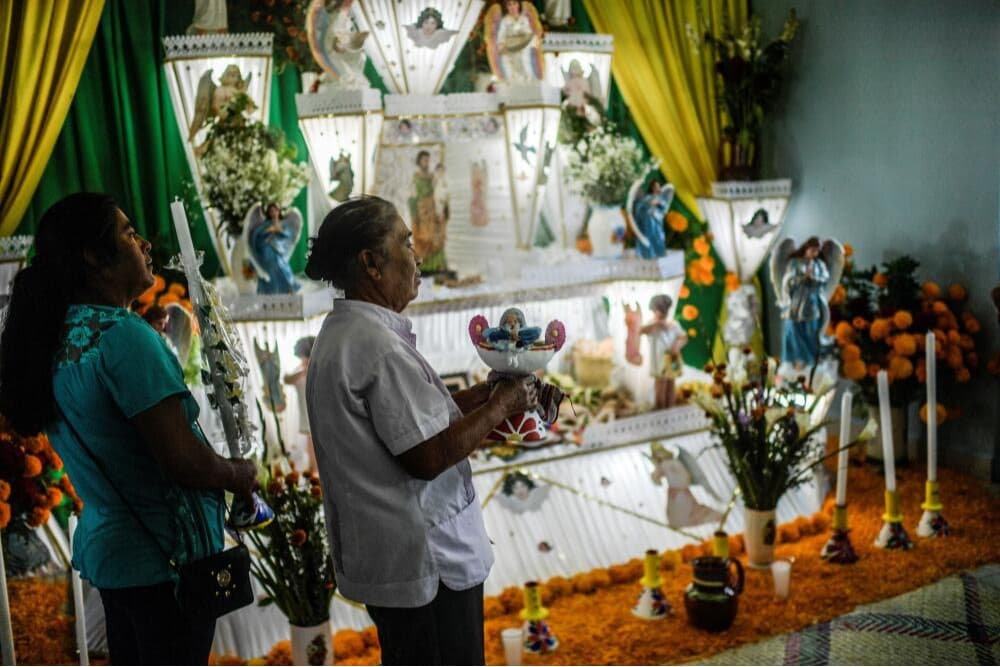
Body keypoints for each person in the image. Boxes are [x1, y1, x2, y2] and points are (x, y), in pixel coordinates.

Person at [0, 193, 258, 664]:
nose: (144, 245)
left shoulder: (59, 334)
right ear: (94, 257)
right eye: (128, 234)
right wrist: (239, 474)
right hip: (165, 563)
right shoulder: (122, 336)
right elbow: (181, 459)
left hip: (116, 556)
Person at [303, 195, 538, 665]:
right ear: (371, 262)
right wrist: (505, 404)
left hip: (402, 560)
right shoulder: (374, 346)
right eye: (406, 242)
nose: (418, 255)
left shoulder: (347, 333)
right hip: (429, 565)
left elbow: (421, 420)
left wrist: (487, 395)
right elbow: (427, 455)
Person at [779, 236, 830, 369]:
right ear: (806, 248)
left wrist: (812, 277)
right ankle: (794, 360)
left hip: (811, 303)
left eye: (817, 251)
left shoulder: (819, 265)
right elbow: (788, 282)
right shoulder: (794, 263)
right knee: (792, 331)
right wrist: (802, 277)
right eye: (812, 250)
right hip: (795, 302)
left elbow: (824, 280)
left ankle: (810, 362)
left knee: (810, 332)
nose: (815, 254)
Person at [640, 294, 687, 409]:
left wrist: (677, 346)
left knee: (670, 384)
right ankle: (660, 406)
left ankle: (669, 406)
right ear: (654, 311)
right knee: (660, 385)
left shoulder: (673, 324)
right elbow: (641, 330)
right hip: (658, 361)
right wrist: (656, 324)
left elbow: (683, 337)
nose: (661, 315)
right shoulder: (651, 325)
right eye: (658, 311)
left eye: (664, 312)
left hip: (670, 360)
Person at [249, 202, 301, 295]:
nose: (273, 213)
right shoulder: (266, 224)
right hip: (268, 251)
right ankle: (273, 292)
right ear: (268, 213)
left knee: (284, 268)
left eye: (275, 211)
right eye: (271, 211)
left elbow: (288, 235)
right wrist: (269, 230)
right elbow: (257, 235)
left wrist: (280, 230)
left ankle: (288, 289)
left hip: (279, 251)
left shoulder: (282, 223)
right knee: (272, 269)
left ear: (278, 211)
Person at [408, 151, 447, 273]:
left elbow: (438, 189)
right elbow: (411, 194)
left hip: (432, 209)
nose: (426, 162)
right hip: (421, 210)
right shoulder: (415, 177)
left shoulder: (431, 176)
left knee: (435, 236)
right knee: (424, 237)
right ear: (419, 161)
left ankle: (437, 265)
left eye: (428, 160)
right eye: (424, 160)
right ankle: (425, 266)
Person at [283, 336, 317, 471]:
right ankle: (314, 471)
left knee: (317, 443)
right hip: (306, 412)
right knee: (311, 444)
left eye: (302, 356)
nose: (301, 360)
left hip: (318, 412)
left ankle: (316, 471)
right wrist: (304, 369)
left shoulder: (317, 366)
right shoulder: (299, 370)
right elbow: (286, 379)